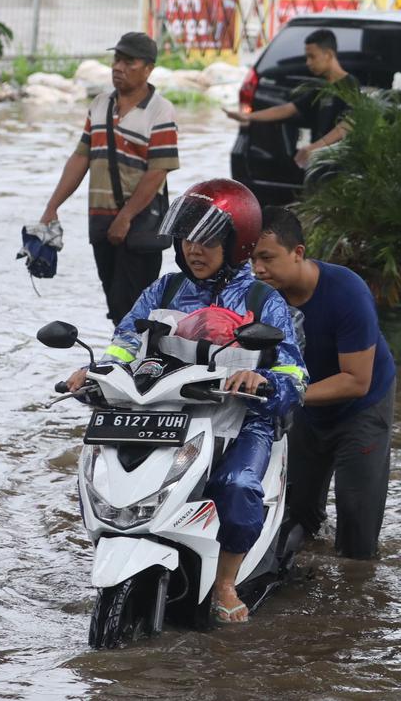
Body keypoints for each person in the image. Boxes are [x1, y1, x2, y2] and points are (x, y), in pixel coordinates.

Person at [64, 179, 308, 622]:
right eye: (188, 238)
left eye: (210, 240)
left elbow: (293, 371)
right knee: (101, 472)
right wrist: (94, 371)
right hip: (165, 411)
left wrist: (264, 380)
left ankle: (226, 582)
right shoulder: (163, 291)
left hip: (238, 415)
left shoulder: (262, 299)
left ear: (238, 244)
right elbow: (125, 342)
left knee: (236, 486)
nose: (195, 249)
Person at [251, 208, 397, 559]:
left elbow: (356, 381)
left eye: (267, 258)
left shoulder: (347, 293)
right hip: (305, 402)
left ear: (298, 253)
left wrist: (285, 394)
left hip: (360, 406)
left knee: (357, 531)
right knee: (295, 512)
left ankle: (354, 597)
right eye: (252, 259)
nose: (257, 269)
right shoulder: (260, 296)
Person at [40, 32, 179, 325]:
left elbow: (158, 171)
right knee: (114, 301)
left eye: (129, 62)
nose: (119, 67)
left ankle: (135, 364)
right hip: (101, 218)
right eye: (117, 59)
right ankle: (124, 361)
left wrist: (126, 217)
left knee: (133, 306)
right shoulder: (100, 105)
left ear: (148, 69)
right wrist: (52, 207)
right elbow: (81, 158)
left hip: (141, 223)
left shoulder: (160, 110)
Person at [224, 29, 356, 168]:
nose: (308, 63)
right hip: (319, 162)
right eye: (307, 57)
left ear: (328, 54)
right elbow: (288, 109)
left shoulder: (349, 84)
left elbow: (349, 123)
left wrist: (315, 147)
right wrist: (248, 117)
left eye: (312, 57)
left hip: (338, 165)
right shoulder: (321, 88)